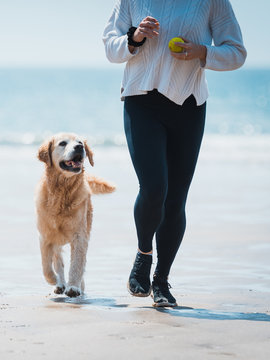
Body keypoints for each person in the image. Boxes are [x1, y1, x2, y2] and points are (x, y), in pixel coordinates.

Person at [102, 0, 246, 307]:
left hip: (189, 106)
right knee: (154, 188)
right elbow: (110, 47)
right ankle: (143, 256)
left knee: (176, 198)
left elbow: (236, 52)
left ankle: (162, 282)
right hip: (140, 100)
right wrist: (134, 37)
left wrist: (202, 52)